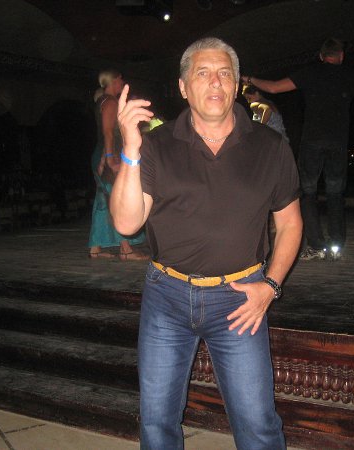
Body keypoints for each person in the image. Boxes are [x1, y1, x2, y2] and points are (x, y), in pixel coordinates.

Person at [110, 37, 302, 449]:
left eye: (224, 74)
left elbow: (289, 224)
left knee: (258, 424)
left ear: (236, 85)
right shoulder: (156, 145)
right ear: (183, 87)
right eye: (203, 73)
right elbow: (126, 223)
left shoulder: (270, 147)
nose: (215, 82)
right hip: (166, 297)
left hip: (239, 300)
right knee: (157, 422)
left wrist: (270, 286)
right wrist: (130, 148)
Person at [244, 37, 354, 260]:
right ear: (341, 56)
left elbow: (274, 87)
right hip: (337, 143)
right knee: (335, 194)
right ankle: (336, 247)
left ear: (321, 56)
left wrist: (249, 78)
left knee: (307, 193)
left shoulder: (311, 72)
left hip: (312, 142)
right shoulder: (351, 75)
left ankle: (317, 245)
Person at [88, 69, 147, 260]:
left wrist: (104, 157)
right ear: (113, 80)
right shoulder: (111, 102)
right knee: (119, 198)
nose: (122, 82)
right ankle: (126, 250)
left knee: (103, 201)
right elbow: (108, 132)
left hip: (103, 153)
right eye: (120, 79)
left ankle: (95, 248)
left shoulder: (102, 101)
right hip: (109, 154)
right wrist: (110, 158)